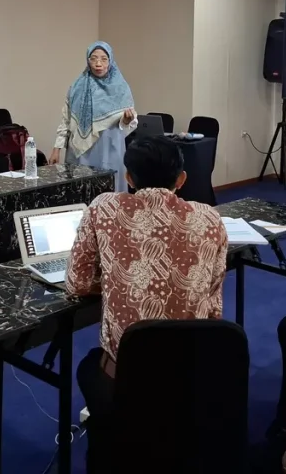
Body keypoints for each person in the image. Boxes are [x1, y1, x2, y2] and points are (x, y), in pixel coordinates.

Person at [65, 136, 228, 471]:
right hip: (190, 372)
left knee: (88, 367)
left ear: (129, 176)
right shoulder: (211, 219)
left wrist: (120, 281)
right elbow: (213, 306)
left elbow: (78, 283)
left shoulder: (104, 208)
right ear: (182, 179)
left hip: (124, 377)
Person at [49, 41, 137, 191]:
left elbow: (129, 122)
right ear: (87, 60)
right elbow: (67, 119)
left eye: (104, 59)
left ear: (110, 61)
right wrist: (57, 148)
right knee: (82, 192)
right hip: (82, 153)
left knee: (110, 193)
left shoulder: (121, 88)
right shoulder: (77, 86)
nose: (98, 63)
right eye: (93, 58)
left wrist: (126, 120)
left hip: (109, 149)